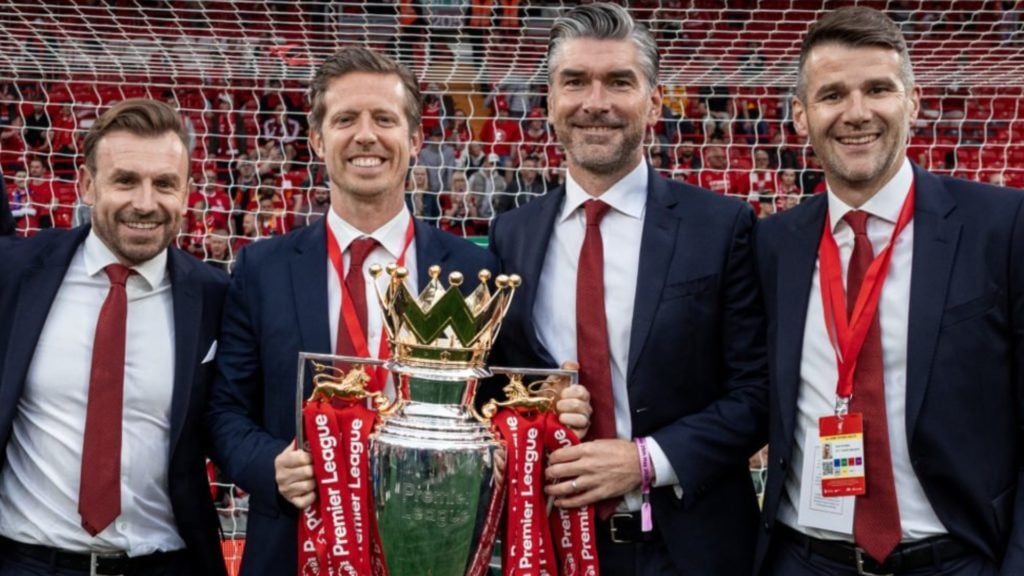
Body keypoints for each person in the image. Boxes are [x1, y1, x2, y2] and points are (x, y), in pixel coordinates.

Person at [488, 4, 768, 575]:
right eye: (575, 82)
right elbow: (497, 387)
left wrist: (644, 461)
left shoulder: (722, 226)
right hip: (551, 543)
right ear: (549, 102)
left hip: (689, 549)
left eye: (619, 81)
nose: (597, 102)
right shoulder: (511, 234)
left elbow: (757, 394)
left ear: (654, 102)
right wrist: (532, 412)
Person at [205, 47, 500, 576]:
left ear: (414, 139)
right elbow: (225, 411)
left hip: (434, 548)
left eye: (384, 119)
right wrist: (271, 466)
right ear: (317, 140)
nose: (366, 136)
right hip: (296, 547)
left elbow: (499, 404)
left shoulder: (474, 270)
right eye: (345, 120)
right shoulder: (261, 269)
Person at [754, 8, 1024, 576]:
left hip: (958, 559)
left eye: (878, 89)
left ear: (913, 101)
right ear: (800, 116)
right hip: (806, 558)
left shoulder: (1002, 226)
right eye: (832, 95)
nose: (857, 113)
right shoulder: (772, 244)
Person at [0, 99, 228, 575]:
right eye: (125, 180)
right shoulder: (16, 274)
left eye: (164, 184)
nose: (145, 203)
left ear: (187, 192)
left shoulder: (215, 298)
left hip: (162, 562)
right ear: (87, 185)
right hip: (26, 561)